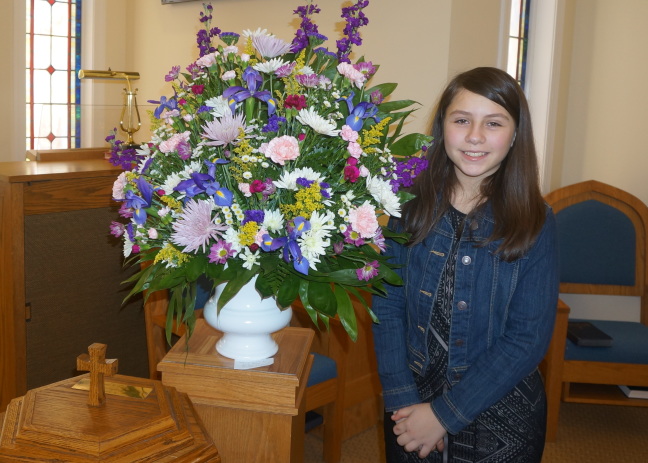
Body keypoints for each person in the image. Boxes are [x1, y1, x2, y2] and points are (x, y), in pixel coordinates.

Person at [372, 67, 559, 462]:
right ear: (443, 128)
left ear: (514, 136)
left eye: (493, 123)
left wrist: (444, 415)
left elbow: (527, 339)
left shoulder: (536, 221)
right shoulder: (409, 206)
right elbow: (387, 306)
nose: (475, 136)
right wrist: (404, 401)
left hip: (500, 415)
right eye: (462, 120)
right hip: (411, 407)